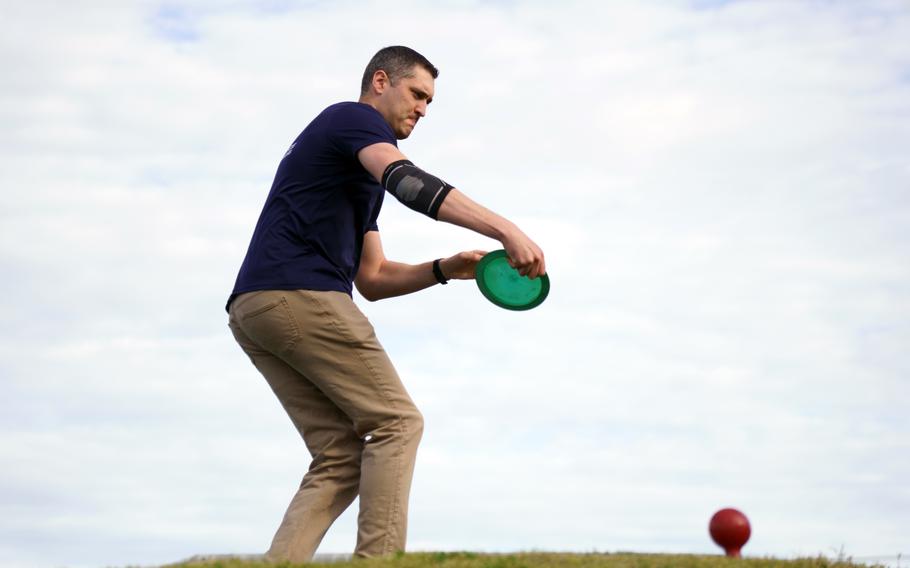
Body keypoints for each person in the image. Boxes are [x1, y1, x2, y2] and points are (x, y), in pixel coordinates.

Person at [226, 45, 545, 563]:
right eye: (417, 94)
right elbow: (409, 183)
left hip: (256, 309)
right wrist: (506, 229)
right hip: (299, 294)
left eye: (429, 102)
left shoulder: (352, 169)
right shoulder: (351, 121)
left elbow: (372, 278)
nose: (422, 109)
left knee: (340, 457)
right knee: (397, 422)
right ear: (381, 81)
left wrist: (445, 269)